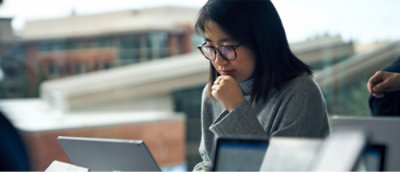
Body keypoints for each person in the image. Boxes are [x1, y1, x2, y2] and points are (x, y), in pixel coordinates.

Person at [193, 0, 330, 170]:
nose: (218, 60)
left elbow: (279, 168)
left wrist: (236, 108)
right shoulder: (213, 92)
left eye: (227, 47)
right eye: (210, 47)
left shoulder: (301, 92)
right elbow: (208, 161)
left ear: (261, 41)